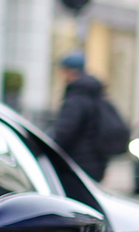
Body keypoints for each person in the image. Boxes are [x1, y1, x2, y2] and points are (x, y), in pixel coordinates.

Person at [50, 51, 130, 181]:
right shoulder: (97, 95)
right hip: (97, 162)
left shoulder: (76, 100)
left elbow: (64, 132)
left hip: (77, 163)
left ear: (69, 72)